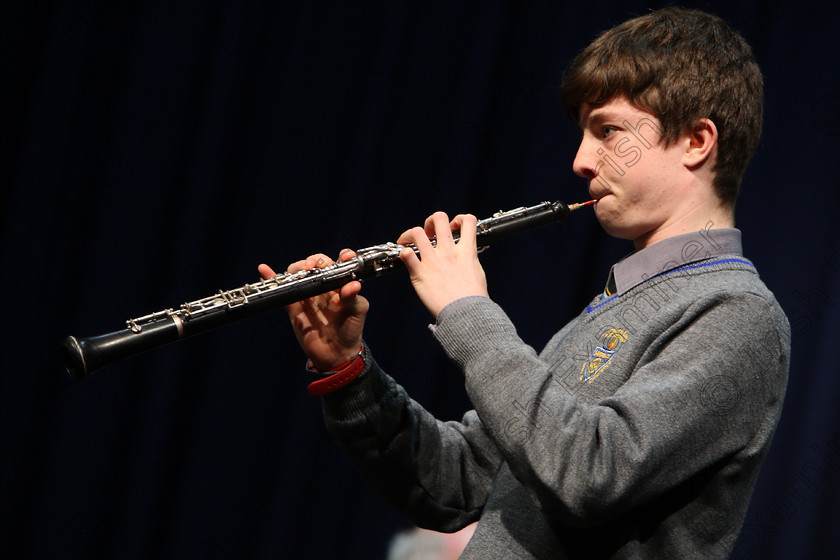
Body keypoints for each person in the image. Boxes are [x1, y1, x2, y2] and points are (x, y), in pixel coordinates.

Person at [259, 7, 790, 559]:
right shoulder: (620, 302)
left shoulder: (737, 313)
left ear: (696, 140)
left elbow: (586, 475)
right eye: (584, 134)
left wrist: (466, 309)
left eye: (608, 130)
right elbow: (458, 482)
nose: (582, 160)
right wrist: (347, 371)